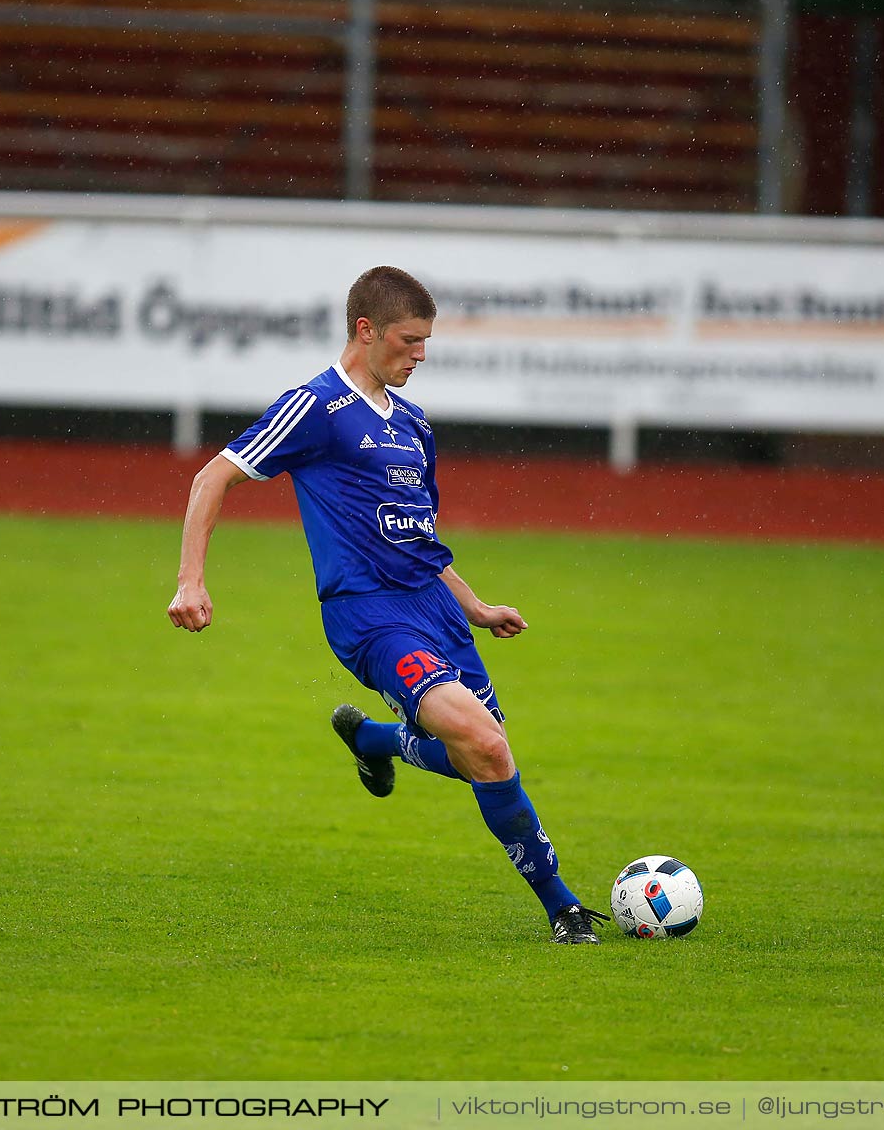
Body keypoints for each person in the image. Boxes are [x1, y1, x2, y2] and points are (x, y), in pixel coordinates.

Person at [166, 265, 609, 944]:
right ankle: (564, 907)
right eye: (409, 340)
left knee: (484, 761)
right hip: (368, 615)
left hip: (433, 607)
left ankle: (375, 739)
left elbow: (420, 539)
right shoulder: (315, 408)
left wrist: (476, 607)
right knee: (484, 743)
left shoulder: (413, 425)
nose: (421, 355)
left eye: (426, 341)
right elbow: (211, 476)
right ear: (366, 331)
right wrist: (191, 579)